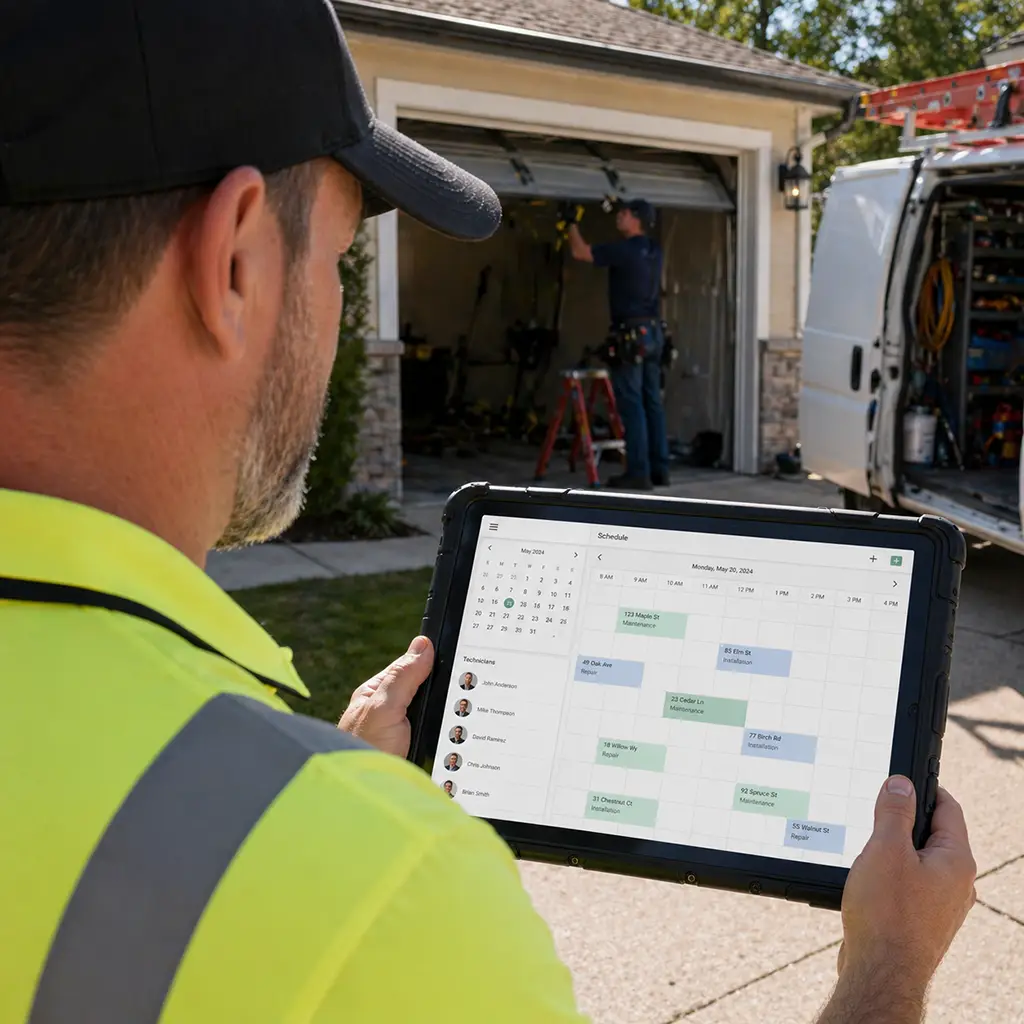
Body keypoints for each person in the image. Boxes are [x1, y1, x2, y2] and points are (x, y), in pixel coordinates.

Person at [0, 2, 976, 1022]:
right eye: (339, 258)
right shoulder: (397, 902)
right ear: (236, 262)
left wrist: (309, 787)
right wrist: (888, 968)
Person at [568, 199, 670, 491]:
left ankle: (638, 472)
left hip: (631, 334)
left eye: (623, 214)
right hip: (652, 333)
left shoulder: (625, 250)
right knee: (652, 402)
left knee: (633, 403)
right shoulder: (653, 250)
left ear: (635, 218)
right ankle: (659, 469)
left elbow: (580, 252)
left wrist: (570, 225)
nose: (618, 218)